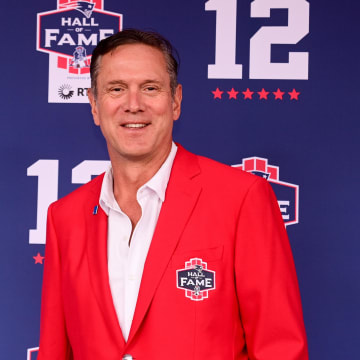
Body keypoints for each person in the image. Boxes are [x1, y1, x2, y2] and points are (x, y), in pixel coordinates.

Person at [38, 29, 309, 360]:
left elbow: (279, 348)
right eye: (116, 89)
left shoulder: (242, 198)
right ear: (94, 105)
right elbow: (54, 351)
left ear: (176, 101)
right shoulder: (64, 217)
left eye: (150, 88)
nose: (133, 105)